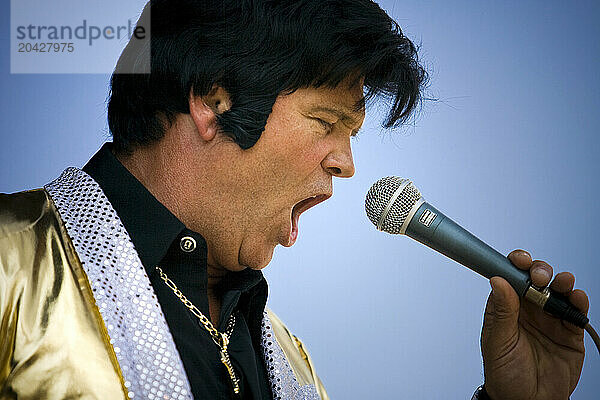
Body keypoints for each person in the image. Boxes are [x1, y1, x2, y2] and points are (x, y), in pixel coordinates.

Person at [0, 0, 588, 399]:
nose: (347, 165)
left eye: (351, 135)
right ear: (214, 101)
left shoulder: (286, 355)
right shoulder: (11, 266)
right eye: (327, 121)